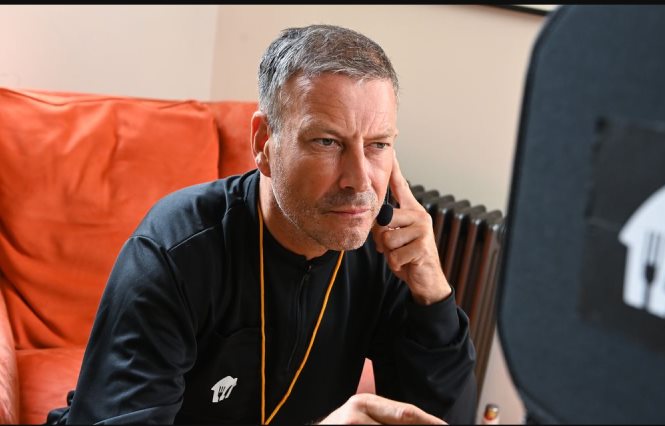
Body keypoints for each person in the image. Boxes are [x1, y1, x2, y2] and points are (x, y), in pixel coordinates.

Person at [47, 24, 477, 425]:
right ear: (263, 142)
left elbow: (438, 417)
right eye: (327, 142)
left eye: (378, 145)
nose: (360, 181)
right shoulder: (174, 252)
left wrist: (433, 295)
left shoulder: (384, 250)